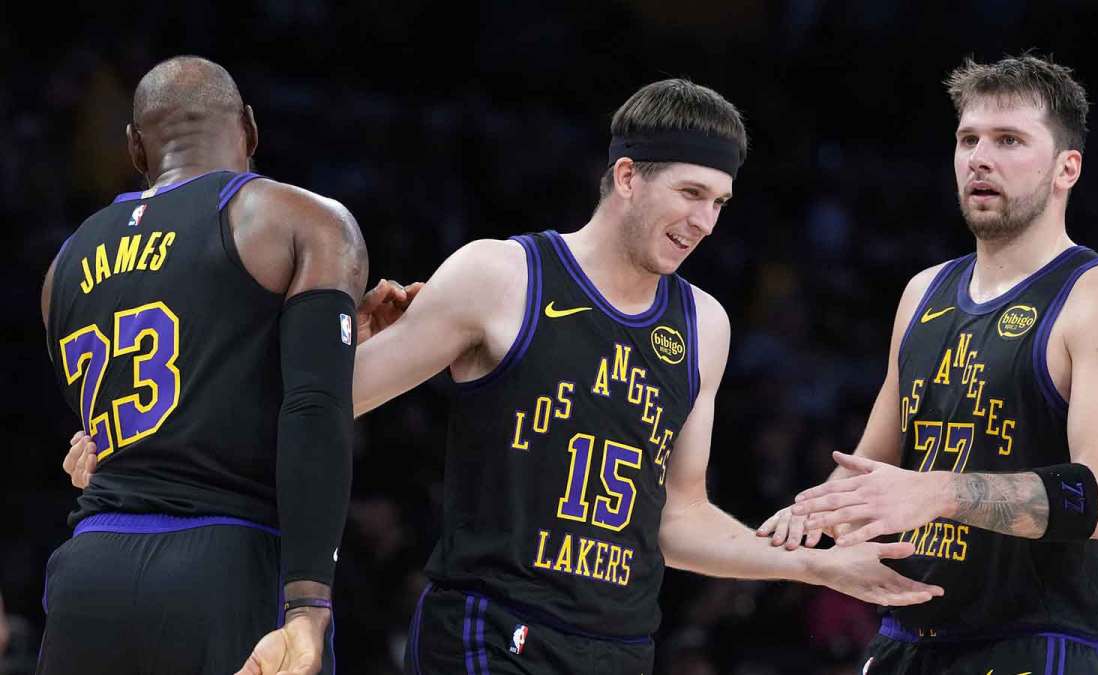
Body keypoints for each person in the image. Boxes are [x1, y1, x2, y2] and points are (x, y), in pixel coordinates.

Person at [63, 77, 943, 673]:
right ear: (627, 177)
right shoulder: (501, 276)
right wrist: (140, 436)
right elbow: (327, 398)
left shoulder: (701, 325)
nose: (706, 221)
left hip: (620, 643)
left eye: (719, 202)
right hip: (490, 629)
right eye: (689, 194)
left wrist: (816, 570)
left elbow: (674, 517)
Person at [761, 55, 1098, 673]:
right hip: (905, 638)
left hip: (1036, 642)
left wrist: (938, 493)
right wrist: (806, 521)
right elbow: (870, 471)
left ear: (1066, 169)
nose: (980, 157)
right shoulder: (924, 291)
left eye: (1009, 141)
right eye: (968, 139)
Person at [40, 55, 377, 675]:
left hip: (87, 574)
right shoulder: (299, 219)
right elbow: (313, 410)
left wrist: (342, 334)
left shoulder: (64, 262)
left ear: (136, 149)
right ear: (249, 128)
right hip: (225, 563)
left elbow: (105, 433)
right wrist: (306, 609)